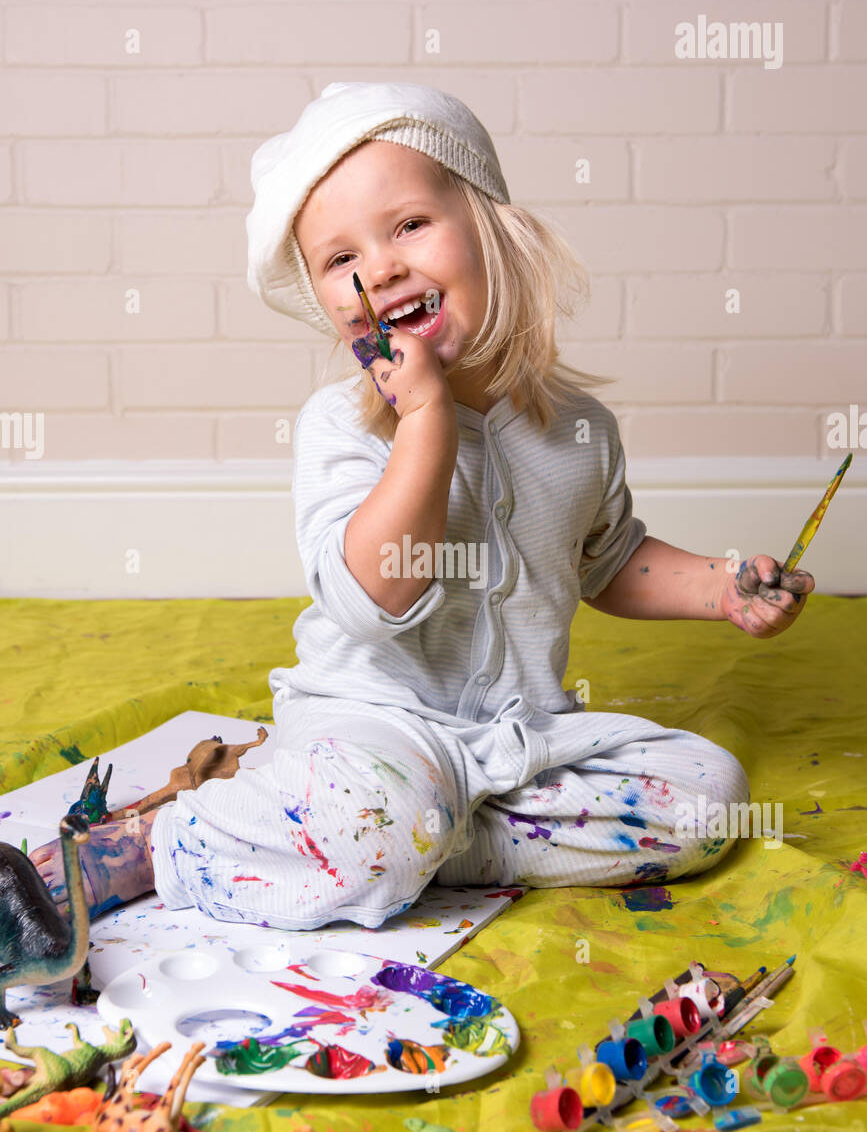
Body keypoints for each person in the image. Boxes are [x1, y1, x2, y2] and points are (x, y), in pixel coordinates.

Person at [32, 82, 815, 930]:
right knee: (389, 810)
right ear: (330, 304)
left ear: (492, 228)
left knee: (709, 798)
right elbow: (376, 603)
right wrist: (426, 420)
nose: (380, 266)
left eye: (408, 224)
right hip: (372, 726)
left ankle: (414, 839)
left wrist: (722, 586)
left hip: (515, 744)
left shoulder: (579, 429)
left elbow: (610, 556)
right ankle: (165, 841)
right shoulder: (341, 426)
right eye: (340, 259)